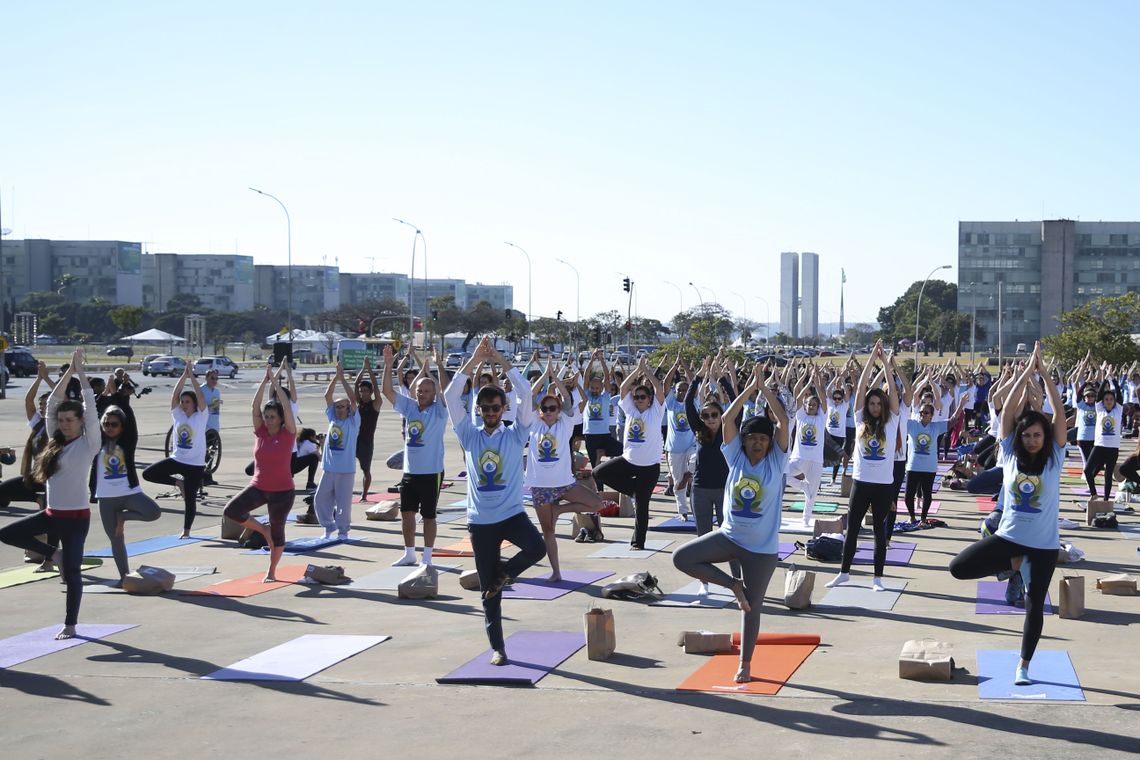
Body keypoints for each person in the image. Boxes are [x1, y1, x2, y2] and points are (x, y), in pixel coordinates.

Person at [949, 342, 1066, 686]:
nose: (1032, 440)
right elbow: (1007, 409)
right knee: (958, 568)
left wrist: (1044, 375)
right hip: (1010, 537)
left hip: (1044, 546)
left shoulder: (1055, 457)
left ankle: (1023, 666)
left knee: (1034, 607)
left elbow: (1057, 413)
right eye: (1027, 435)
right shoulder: (1010, 455)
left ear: (1046, 437)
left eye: (1037, 435)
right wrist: (1024, 374)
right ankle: (1012, 564)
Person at [673, 364, 789, 683]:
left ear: (768, 443)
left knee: (751, 608)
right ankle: (732, 585)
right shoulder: (735, 457)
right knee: (681, 558)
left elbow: (784, 421)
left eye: (763, 439)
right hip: (729, 537)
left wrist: (764, 389)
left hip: (762, 551)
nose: (757, 443)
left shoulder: (776, 463)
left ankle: (745, 663)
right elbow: (726, 420)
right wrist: (749, 389)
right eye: (751, 438)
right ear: (745, 440)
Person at [443, 337, 544, 666]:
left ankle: (504, 572)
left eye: (495, 408)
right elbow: (449, 396)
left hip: (512, 515)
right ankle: (498, 648)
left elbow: (527, 394)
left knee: (537, 548)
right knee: (490, 596)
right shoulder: (469, 435)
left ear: (504, 410)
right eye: (484, 409)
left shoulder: (516, 433)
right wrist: (473, 361)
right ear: (479, 411)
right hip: (480, 522)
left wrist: (500, 360)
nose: (489, 413)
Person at [0, 349, 99, 639]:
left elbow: (90, 407)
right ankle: (53, 552)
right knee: (6, 534)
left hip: (76, 519)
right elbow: (53, 402)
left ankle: (70, 624)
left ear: (81, 422)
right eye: (63, 420)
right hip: (51, 515)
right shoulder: (54, 442)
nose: (66, 423)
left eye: (71, 419)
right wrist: (67, 370)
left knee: (73, 573)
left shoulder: (88, 443)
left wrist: (80, 373)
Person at [826, 340, 900, 592]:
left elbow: (891, 389)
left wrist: (886, 364)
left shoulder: (892, 423)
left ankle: (877, 579)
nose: (876, 407)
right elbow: (860, 389)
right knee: (853, 529)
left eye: (879, 404)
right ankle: (844, 572)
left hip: (883, 486)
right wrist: (872, 358)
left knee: (879, 532)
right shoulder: (859, 420)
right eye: (872, 404)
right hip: (860, 482)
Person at [524, 361, 603, 582]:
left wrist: (557, 380)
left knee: (597, 504)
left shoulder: (565, 424)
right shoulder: (534, 424)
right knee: (548, 531)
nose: (548, 412)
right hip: (540, 486)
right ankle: (556, 571)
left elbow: (568, 400)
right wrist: (546, 375)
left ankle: (560, 510)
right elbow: (531, 395)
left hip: (563, 483)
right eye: (545, 409)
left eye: (553, 408)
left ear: (559, 412)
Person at [222, 366, 298, 582]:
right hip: (258, 487)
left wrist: (275, 382)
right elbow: (254, 406)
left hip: (282, 493)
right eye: (267, 416)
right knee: (232, 510)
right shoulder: (261, 432)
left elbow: (287, 406)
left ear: (281, 419)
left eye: (273, 417)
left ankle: (272, 571)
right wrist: (264, 382)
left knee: (278, 533)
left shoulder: (288, 433)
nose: (268, 420)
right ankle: (261, 529)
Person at [383, 347, 449, 567]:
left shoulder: (439, 410)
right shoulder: (410, 408)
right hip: (410, 473)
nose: (422, 394)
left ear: (434, 394)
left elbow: (448, 391)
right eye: (420, 390)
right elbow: (387, 392)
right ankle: (409, 553)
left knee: (429, 516)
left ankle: (427, 557)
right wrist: (388, 364)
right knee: (407, 514)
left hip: (431, 473)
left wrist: (438, 366)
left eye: (427, 391)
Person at [592, 355, 667, 550]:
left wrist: (648, 372)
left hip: (649, 466)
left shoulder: (656, 412)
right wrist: (637, 369)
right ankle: (633, 490)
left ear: (649, 400)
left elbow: (659, 389)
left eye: (643, 397)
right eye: (637, 397)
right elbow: (624, 387)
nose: (639, 399)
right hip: (628, 460)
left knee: (642, 507)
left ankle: (638, 542)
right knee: (598, 472)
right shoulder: (630, 410)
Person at [95, 405, 161, 583]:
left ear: (122, 427)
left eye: (114, 424)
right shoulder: (96, 444)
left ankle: (123, 517)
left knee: (153, 512)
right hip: (106, 498)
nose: (109, 427)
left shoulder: (127, 442)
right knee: (116, 540)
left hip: (129, 493)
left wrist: (120, 396)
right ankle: (124, 577)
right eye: (106, 424)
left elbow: (130, 419)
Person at [142, 363, 207, 538]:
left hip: (195, 465)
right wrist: (183, 377)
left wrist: (192, 377)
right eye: (182, 402)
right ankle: (179, 483)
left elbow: (200, 395)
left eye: (187, 402)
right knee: (148, 474)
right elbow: (174, 396)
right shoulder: (178, 415)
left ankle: (186, 531)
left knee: (190, 499)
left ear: (194, 404)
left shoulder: (201, 417)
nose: (184, 404)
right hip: (177, 459)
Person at [313, 363, 360, 541]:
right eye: (338, 407)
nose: (340, 409)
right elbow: (327, 396)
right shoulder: (332, 418)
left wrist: (343, 379)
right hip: (329, 468)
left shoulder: (353, 422)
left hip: (346, 469)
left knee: (343, 504)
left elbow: (353, 399)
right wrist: (336, 376)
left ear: (348, 409)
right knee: (320, 499)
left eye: (343, 407)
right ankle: (328, 526)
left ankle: (343, 531)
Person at [0, 361, 53, 514]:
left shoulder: (59, 425)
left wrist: (48, 379)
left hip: (55, 476)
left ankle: (49, 502)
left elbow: (61, 397)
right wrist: (39, 379)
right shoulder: (38, 424)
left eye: (46, 404)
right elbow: (28, 401)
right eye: (41, 404)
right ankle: (38, 499)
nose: (42, 407)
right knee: (3, 490)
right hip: (38, 474)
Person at [785, 365, 827, 526]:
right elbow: (797, 394)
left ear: (817, 408)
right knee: (784, 475)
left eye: (813, 405)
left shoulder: (821, 417)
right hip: (799, 457)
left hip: (816, 460)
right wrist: (808, 381)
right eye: (809, 404)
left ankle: (806, 519)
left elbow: (823, 397)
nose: (811, 407)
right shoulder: (800, 415)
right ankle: (802, 486)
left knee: (812, 494)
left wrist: (817, 383)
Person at [662, 355, 696, 520]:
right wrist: (675, 366)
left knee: (695, 461)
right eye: (679, 390)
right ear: (675, 392)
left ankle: (688, 476)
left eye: (685, 389)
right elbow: (665, 384)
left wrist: (685, 366)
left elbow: (693, 380)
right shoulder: (671, 403)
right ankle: (683, 511)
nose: (682, 392)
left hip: (692, 445)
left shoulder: (693, 402)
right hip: (674, 449)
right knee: (678, 484)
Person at [1084, 377, 1123, 501]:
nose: (1109, 401)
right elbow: (1099, 394)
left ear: (1114, 401)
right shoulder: (1099, 409)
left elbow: (1119, 394)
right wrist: (1106, 379)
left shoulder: (1118, 410)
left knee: (1108, 475)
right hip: (1099, 446)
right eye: (1106, 399)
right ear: (1103, 401)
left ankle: (1106, 499)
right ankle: (1094, 494)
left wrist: (1114, 381)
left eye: (1111, 399)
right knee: (1087, 471)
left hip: (1112, 448)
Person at [582, 350, 622, 467]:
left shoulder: (605, 397)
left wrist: (602, 360)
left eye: (597, 388)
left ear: (602, 388)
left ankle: (602, 453)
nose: (595, 390)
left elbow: (607, 376)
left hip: (604, 434)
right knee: (595, 466)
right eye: (592, 388)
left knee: (623, 450)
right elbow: (586, 376)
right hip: (590, 434)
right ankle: (597, 486)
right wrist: (592, 360)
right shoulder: (587, 396)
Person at [354, 358, 384, 502]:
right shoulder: (359, 403)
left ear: (370, 391)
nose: (362, 393)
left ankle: (364, 495)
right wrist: (363, 368)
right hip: (354, 440)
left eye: (365, 391)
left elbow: (377, 389)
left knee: (366, 470)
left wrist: (370, 371)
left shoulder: (375, 404)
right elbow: (355, 384)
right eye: (361, 391)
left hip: (366, 443)